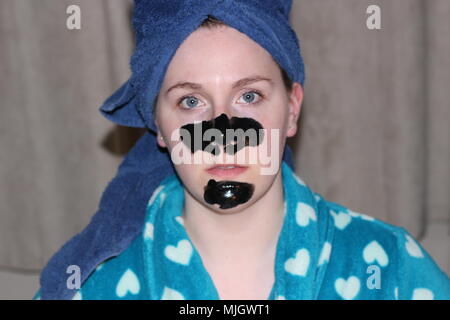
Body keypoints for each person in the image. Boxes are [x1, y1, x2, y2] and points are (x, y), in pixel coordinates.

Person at [33, 0, 450, 300]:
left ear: (291, 108)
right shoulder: (94, 287)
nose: (222, 133)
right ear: (158, 125)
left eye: (248, 96)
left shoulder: (391, 268)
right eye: (191, 102)